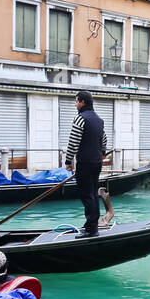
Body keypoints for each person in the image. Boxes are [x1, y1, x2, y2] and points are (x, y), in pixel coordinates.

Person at [63, 91, 107, 238]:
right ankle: (91, 225)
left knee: (87, 196)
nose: (75, 104)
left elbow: (73, 142)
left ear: (82, 102)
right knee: (93, 194)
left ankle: (91, 230)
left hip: (85, 163)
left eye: (76, 101)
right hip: (97, 163)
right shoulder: (99, 120)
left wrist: (68, 161)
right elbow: (104, 139)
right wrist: (102, 153)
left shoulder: (80, 119)